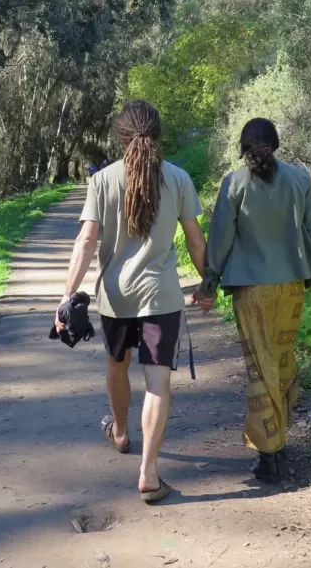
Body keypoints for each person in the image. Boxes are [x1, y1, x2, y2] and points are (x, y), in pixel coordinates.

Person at [57, 100, 207, 503]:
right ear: (158, 134)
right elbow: (195, 240)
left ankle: (121, 433)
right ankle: (149, 473)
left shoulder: (103, 179)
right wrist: (208, 282)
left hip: (115, 297)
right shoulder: (177, 178)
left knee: (116, 365)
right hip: (161, 295)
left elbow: (86, 240)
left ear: (120, 136)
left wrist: (67, 294)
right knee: (157, 382)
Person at [194, 118, 311, 484]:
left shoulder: (234, 184)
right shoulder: (299, 179)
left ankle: (269, 454)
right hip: (291, 287)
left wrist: (209, 284)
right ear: (275, 144)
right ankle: (279, 440)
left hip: (251, 290)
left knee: (260, 366)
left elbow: (221, 238)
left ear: (243, 148)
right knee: (283, 360)